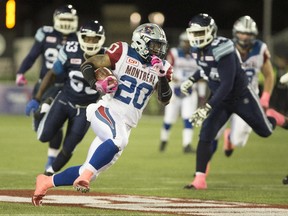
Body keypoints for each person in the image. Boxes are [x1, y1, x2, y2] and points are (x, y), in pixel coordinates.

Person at [31, 23, 173, 206]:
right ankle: (85, 178)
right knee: (118, 141)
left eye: (160, 46)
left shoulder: (162, 67)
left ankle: (46, 181)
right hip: (106, 111)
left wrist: (161, 76)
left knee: (89, 168)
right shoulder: (122, 52)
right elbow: (88, 64)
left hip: (126, 124)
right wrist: (96, 84)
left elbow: (165, 100)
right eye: (154, 46)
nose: (158, 51)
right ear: (141, 42)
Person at [180, 13, 276, 190]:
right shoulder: (196, 50)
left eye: (200, 33)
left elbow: (227, 83)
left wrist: (207, 106)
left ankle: (272, 116)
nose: (196, 38)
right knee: (206, 134)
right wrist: (192, 80)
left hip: (241, 96)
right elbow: (205, 69)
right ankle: (199, 180)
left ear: (210, 32)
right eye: (194, 33)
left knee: (265, 131)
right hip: (221, 98)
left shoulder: (223, 47)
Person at [26, 20, 106, 176]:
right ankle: (45, 107)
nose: (90, 42)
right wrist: (37, 98)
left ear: (101, 39)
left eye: (94, 38)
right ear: (80, 38)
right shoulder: (71, 50)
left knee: (69, 147)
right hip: (64, 100)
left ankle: (48, 174)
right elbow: (52, 73)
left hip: (86, 110)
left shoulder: (108, 57)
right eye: (87, 38)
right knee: (44, 136)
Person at [17, 4, 78, 169]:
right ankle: (41, 114)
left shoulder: (79, 38)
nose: (66, 23)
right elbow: (32, 56)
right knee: (40, 128)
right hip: (44, 84)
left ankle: (51, 159)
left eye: (69, 19)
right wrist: (20, 72)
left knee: (56, 122)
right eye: (63, 19)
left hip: (65, 86)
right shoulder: (45, 33)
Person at [212, 15, 274, 157]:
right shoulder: (225, 47)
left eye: (248, 34)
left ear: (254, 35)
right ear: (235, 33)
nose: (245, 37)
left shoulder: (260, 49)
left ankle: (229, 138)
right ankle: (202, 171)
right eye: (242, 33)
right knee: (212, 133)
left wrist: (265, 97)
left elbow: (269, 75)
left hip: (247, 98)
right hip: (226, 95)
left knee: (238, 141)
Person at [159, 32, 206, 153]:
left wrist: (201, 96)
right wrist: (171, 82)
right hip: (175, 89)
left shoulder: (197, 55)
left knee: (188, 118)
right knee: (169, 119)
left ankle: (187, 145)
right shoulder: (174, 53)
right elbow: (165, 70)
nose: (187, 45)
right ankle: (164, 140)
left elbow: (201, 77)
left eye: (189, 42)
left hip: (190, 91)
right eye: (185, 42)